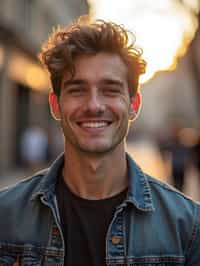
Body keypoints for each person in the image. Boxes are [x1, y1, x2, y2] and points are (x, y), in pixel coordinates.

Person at [0, 16, 199, 265]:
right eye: (77, 90)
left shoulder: (187, 227)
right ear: (55, 105)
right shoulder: (5, 216)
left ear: (134, 105)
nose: (94, 105)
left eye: (110, 89)